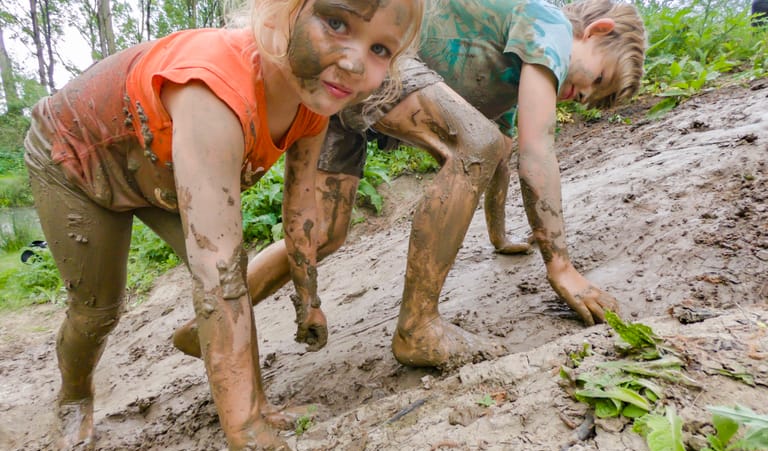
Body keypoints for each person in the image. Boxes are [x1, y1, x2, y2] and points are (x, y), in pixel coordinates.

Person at [23, 0, 423, 451]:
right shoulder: (213, 89)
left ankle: (255, 405)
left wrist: (309, 300)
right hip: (78, 160)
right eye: (335, 24)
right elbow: (217, 276)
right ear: (280, 14)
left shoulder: (314, 100)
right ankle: (74, 396)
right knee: (98, 309)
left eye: (380, 49)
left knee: (235, 273)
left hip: (160, 167)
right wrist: (247, 438)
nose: (354, 63)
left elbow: (302, 208)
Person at [173, 0, 646, 368]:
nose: (581, 95)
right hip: (378, 61)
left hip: (348, 87)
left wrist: (500, 237)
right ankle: (418, 326)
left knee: (326, 233)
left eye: (589, 99)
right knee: (475, 143)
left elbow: (502, 153)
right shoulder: (550, 25)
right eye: (596, 78)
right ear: (595, 31)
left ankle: (206, 326)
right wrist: (560, 265)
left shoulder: (511, 74)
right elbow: (534, 150)